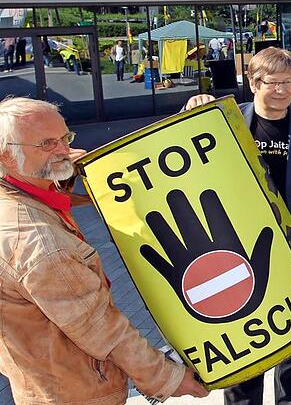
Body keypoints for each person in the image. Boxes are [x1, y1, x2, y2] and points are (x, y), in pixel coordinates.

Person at [0, 97, 208, 404]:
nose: (62, 150)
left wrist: (64, 172)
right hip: (78, 393)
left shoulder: (18, 193)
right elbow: (100, 329)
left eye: (64, 138)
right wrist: (167, 377)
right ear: (5, 155)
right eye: (46, 144)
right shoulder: (38, 242)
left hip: (47, 382)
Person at [185, 47, 291, 405]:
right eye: (274, 83)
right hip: (240, 258)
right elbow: (181, 145)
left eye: (289, 82)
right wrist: (191, 108)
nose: (283, 90)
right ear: (253, 83)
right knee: (247, 351)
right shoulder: (225, 122)